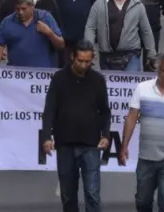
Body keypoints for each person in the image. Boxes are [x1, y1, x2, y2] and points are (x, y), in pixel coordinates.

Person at [119, 53, 164, 212]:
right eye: (163, 71)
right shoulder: (142, 88)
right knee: (142, 200)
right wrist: (124, 145)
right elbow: (132, 117)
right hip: (146, 157)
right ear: (157, 70)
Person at [42, 43, 111, 212]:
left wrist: (106, 135)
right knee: (68, 196)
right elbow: (49, 109)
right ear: (73, 57)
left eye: (88, 61)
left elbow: (105, 112)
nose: (84, 65)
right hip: (65, 144)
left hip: (90, 144)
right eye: (81, 61)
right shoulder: (59, 78)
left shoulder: (97, 80)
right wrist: (46, 137)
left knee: (93, 194)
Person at [83, 0, 157, 71]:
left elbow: (146, 31)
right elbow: (90, 28)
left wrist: (151, 53)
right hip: (106, 57)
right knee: (108, 87)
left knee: (131, 86)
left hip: (131, 55)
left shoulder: (137, 5)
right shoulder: (99, 4)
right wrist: (88, 49)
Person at [0, 0, 64, 67]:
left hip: (43, 74)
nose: (20, 12)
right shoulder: (7, 22)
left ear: (32, 6)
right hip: (16, 74)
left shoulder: (45, 18)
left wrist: (49, 33)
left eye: (24, 9)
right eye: (17, 9)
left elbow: (60, 45)